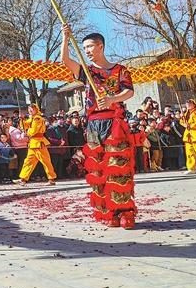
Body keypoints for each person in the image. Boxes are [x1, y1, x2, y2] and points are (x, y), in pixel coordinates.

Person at [61, 26, 136, 229]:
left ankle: (124, 212)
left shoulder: (120, 70)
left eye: (90, 46)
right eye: (84, 47)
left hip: (114, 122)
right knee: (99, 168)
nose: (86, 50)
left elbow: (129, 92)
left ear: (100, 46)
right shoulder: (87, 72)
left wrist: (112, 99)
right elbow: (66, 61)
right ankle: (108, 211)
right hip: (94, 124)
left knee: (118, 168)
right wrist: (65, 38)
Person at [14, 104, 56, 186]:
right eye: (29, 109)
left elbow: (33, 131)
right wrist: (21, 119)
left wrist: (26, 131)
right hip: (33, 143)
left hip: (39, 143)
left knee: (46, 161)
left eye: (32, 109)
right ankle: (23, 179)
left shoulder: (37, 118)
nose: (30, 111)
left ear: (36, 110)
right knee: (28, 162)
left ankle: (51, 179)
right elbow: (24, 125)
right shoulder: (32, 118)